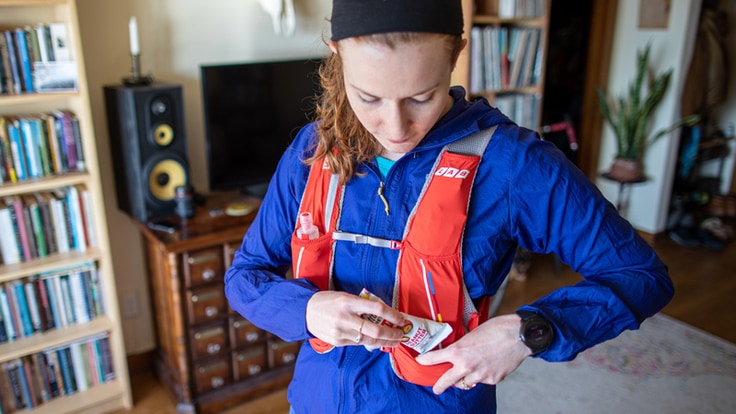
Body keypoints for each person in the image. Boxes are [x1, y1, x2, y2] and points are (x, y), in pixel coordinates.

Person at [224, 0, 674, 412]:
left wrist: (527, 331)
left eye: (421, 97)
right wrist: (308, 311)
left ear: (456, 53)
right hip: (315, 401)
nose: (396, 128)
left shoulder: (513, 164)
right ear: (337, 54)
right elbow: (245, 277)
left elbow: (640, 276)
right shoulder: (313, 150)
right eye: (369, 98)